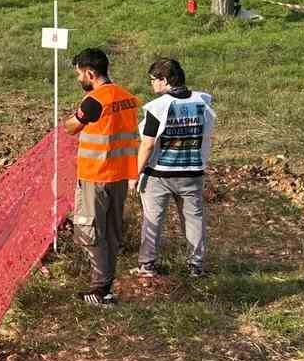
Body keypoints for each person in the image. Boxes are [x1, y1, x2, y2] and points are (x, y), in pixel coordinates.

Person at [63, 48, 140, 306]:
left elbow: (71, 127)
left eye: (79, 74)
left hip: (95, 175)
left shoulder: (94, 101)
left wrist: (73, 117)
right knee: (110, 231)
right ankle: (105, 287)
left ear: (90, 73)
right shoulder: (127, 97)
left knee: (89, 231)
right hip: (119, 174)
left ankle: (100, 288)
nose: (78, 80)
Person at [132, 58, 215, 280]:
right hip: (192, 172)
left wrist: (135, 173)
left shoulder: (157, 107)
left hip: (160, 174)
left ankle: (147, 265)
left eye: (153, 80)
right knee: (193, 219)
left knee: (153, 220)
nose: (151, 85)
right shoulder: (203, 101)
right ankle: (196, 266)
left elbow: (147, 144)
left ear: (164, 80)